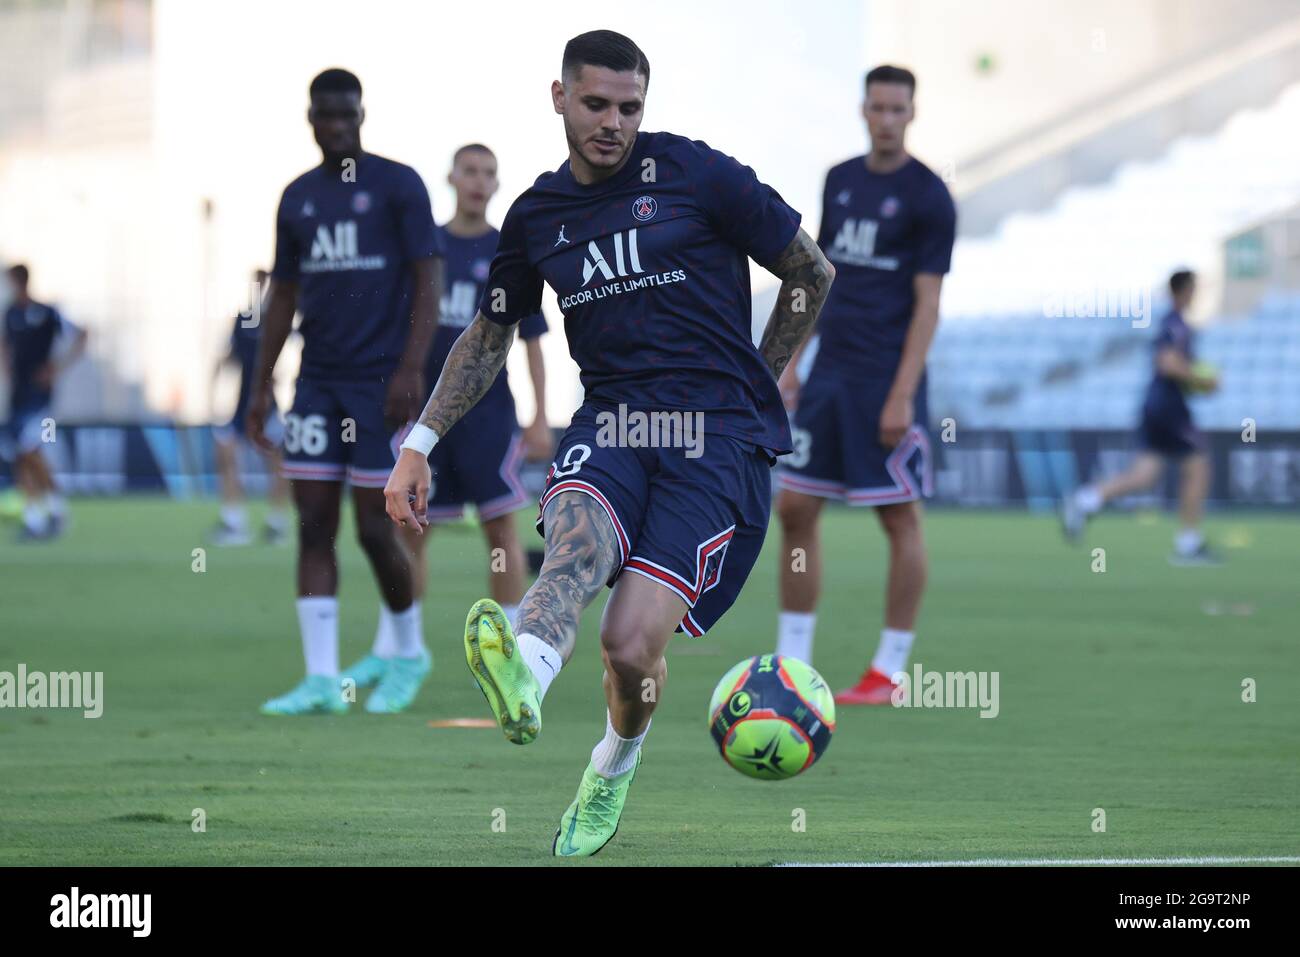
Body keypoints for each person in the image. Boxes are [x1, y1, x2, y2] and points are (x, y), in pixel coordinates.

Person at [385, 29, 834, 857]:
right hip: (614, 423)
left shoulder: (700, 174)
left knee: (629, 649)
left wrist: (760, 381)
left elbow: (811, 271)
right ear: (559, 97)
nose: (613, 124)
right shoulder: (535, 217)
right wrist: (419, 441)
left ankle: (612, 764)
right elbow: (488, 337)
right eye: (596, 104)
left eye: (630, 108)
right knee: (575, 545)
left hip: (715, 439)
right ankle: (524, 668)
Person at [247, 68, 442, 715]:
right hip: (317, 385)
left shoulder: (397, 185)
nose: (336, 127)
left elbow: (428, 279)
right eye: (325, 116)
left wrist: (414, 368)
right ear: (311, 119)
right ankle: (322, 679)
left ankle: (408, 650)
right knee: (313, 526)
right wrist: (259, 384)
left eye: (347, 115)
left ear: (362, 114)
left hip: (381, 383)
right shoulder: (298, 197)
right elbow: (284, 296)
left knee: (372, 527)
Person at [341, 144, 551, 700]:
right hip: (429, 413)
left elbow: (530, 341)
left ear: (497, 182)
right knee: (412, 526)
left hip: (489, 415)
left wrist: (538, 416)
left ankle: (511, 652)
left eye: (489, 173)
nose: (479, 182)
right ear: (452, 178)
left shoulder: (510, 248)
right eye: (470, 172)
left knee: (500, 527)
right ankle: (395, 644)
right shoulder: (426, 249)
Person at [774, 66, 956, 705]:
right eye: (877, 107)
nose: (886, 119)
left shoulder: (930, 195)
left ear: (912, 112)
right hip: (830, 376)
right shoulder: (841, 180)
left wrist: (903, 393)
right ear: (864, 110)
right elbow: (821, 275)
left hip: (885, 379)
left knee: (898, 515)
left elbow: (928, 303)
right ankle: (793, 662)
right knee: (794, 507)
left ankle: (890, 670)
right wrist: (793, 356)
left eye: (897, 109)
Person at [1061, 270, 1221, 565]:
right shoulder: (1175, 323)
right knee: (1198, 466)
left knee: (1145, 476)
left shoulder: (1174, 323)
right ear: (1184, 290)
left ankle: (1085, 500)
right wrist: (1202, 381)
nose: (1197, 293)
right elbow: (1167, 364)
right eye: (1194, 288)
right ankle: (1188, 545)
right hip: (1168, 408)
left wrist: (1196, 378)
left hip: (1157, 406)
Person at [1, 264, 87, 541]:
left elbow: (82, 334)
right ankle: (35, 518)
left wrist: (57, 368)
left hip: (41, 400)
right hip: (18, 396)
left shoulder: (48, 312)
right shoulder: (10, 314)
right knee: (21, 455)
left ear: (19, 282)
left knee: (30, 449)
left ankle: (55, 508)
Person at [209, 269, 291, 546]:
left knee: (278, 462)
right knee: (227, 455)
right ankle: (234, 521)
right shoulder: (243, 320)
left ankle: (277, 522)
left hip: (269, 405)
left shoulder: (279, 317)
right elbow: (232, 358)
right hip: (243, 404)